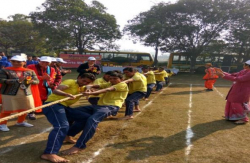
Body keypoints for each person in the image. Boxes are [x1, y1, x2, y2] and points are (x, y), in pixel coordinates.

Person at [62, 71, 128, 155]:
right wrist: (88, 86)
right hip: (98, 105)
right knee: (72, 112)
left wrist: (91, 93)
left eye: (115, 79)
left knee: (92, 120)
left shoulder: (122, 85)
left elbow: (106, 90)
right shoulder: (109, 84)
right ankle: (68, 135)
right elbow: (98, 86)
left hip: (111, 106)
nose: (112, 80)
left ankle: (79, 146)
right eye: (111, 79)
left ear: (121, 79)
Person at [40, 73, 95, 163]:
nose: (84, 83)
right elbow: (56, 91)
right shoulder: (70, 82)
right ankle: (49, 153)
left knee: (86, 118)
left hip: (64, 107)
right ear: (79, 77)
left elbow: (91, 87)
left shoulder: (82, 87)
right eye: (83, 80)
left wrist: (88, 89)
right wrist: (67, 94)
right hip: (53, 105)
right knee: (62, 126)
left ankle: (67, 136)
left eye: (87, 82)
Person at [0, 55, 41, 131]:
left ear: (24, 62)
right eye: (13, 61)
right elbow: (1, 80)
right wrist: (17, 81)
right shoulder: (5, 70)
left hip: (26, 92)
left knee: (25, 108)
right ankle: (2, 124)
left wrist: (32, 81)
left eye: (18, 62)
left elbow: (37, 81)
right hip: (8, 92)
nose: (15, 63)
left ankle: (21, 121)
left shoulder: (30, 71)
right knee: (7, 109)